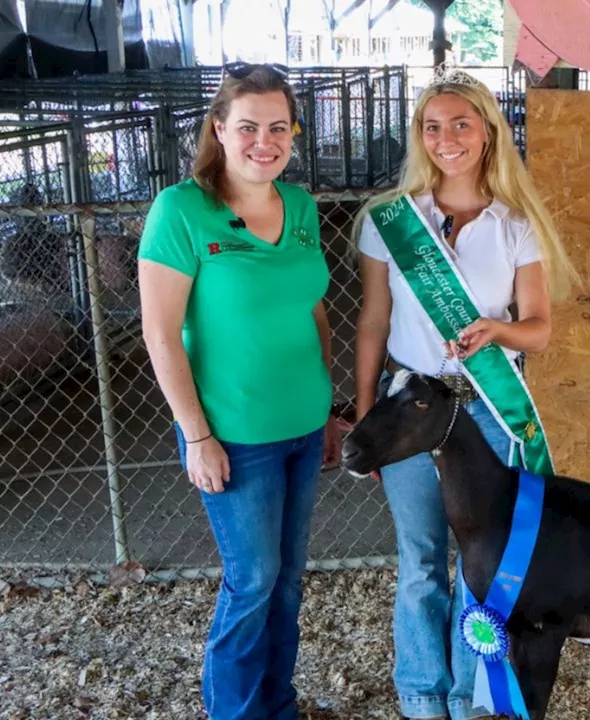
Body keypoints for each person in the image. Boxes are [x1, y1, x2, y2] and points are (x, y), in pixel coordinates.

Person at [351, 68, 578, 720]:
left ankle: (469, 695)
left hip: (484, 408)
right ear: (419, 138)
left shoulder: (516, 225)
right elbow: (371, 321)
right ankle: (423, 695)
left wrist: (498, 328)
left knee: (481, 562)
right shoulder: (388, 222)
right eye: (432, 127)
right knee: (419, 559)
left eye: (460, 124)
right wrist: (367, 415)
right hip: (409, 411)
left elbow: (537, 331)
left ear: (486, 133)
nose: (446, 138)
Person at [137, 61, 342, 720]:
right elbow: (162, 336)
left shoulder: (302, 207)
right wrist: (197, 435)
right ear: (219, 130)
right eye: (248, 126)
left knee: (285, 585)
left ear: (293, 134)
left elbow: (314, 311)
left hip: (305, 425)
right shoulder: (182, 210)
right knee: (252, 581)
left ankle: (276, 706)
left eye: (279, 127)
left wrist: (332, 408)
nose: (265, 141)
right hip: (234, 433)